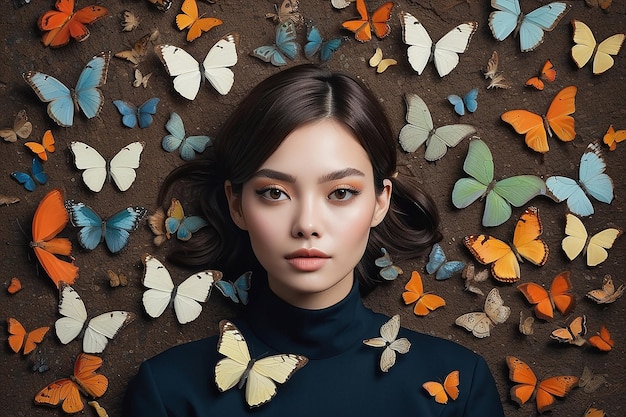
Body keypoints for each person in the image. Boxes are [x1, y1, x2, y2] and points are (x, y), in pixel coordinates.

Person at [123, 65, 504, 416]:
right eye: (274, 193)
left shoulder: (459, 385)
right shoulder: (169, 394)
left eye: (340, 193)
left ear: (380, 202)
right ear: (237, 205)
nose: (306, 224)